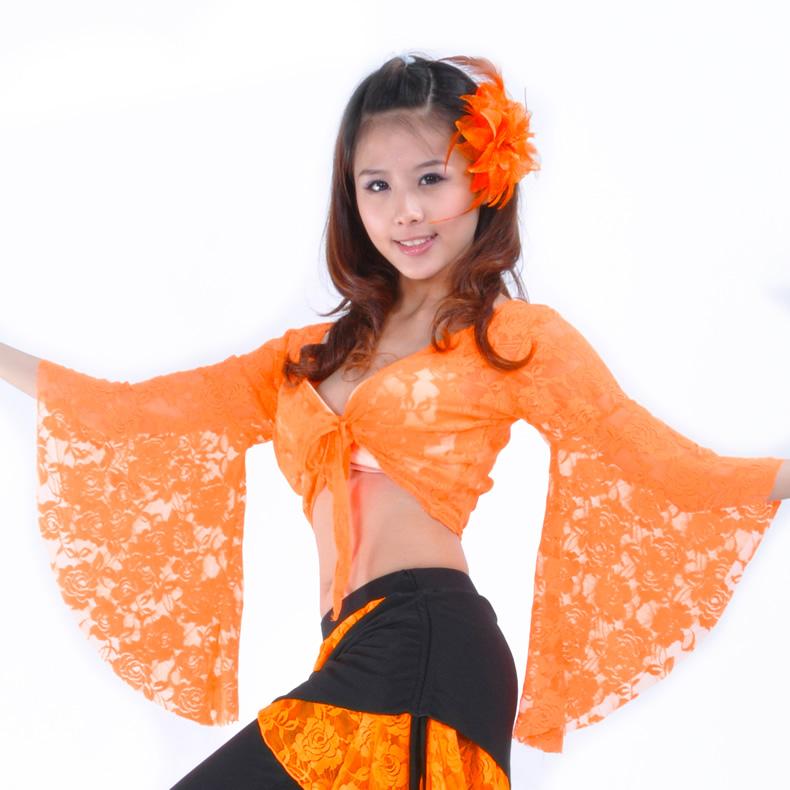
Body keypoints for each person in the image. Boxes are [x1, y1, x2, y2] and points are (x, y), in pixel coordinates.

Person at [1, 54, 788, 789]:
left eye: (431, 179)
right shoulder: (303, 358)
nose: (406, 211)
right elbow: (134, 410)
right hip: (354, 644)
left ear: (485, 180)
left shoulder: (511, 339)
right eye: (376, 185)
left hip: (426, 636)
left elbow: (661, 462)